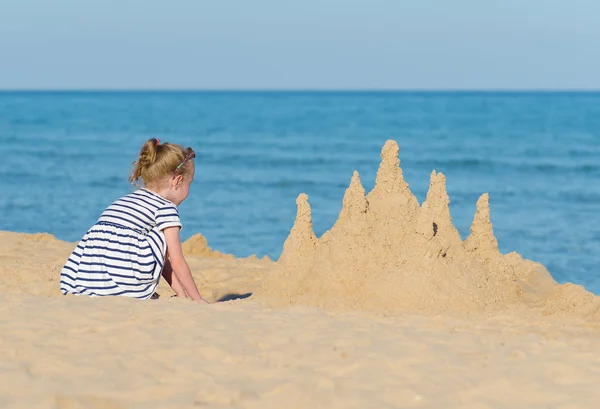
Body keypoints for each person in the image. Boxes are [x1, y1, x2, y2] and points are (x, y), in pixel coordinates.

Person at [59, 138, 208, 302]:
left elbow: (162, 259)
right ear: (177, 180)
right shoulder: (166, 208)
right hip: (125, 279)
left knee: (153, 235)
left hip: (88, 277)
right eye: (189, 183)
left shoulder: (125, 201)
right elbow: (177, 261)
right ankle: (132, 289)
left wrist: (181, 294)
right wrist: (197, 299)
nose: (189, 189)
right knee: (164, 235)